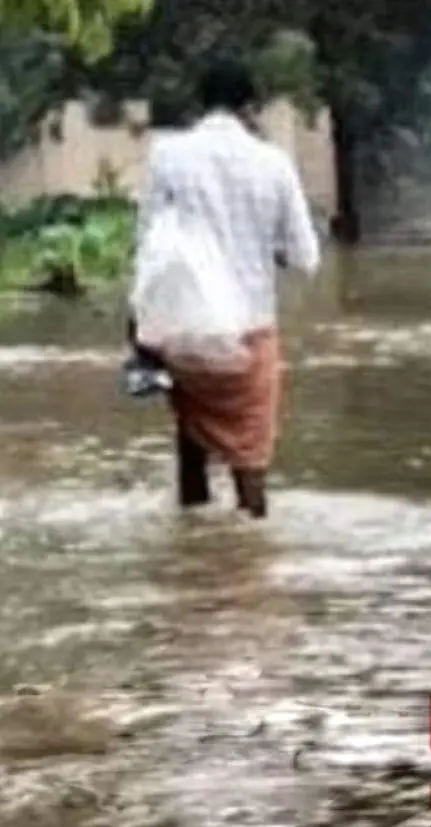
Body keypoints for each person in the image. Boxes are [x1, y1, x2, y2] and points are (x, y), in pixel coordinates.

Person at [128, 57, 321, 519]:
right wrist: (269, 249)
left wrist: (138, 329)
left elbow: (148, 243)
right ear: (250, 107)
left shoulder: (167, 154)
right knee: (250, 454)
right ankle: (251, 546)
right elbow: (306, 258)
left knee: (190, 440)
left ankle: (191, 549)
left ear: (202, 103)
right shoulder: (273, 163)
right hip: (248, 330)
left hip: (181, 329)